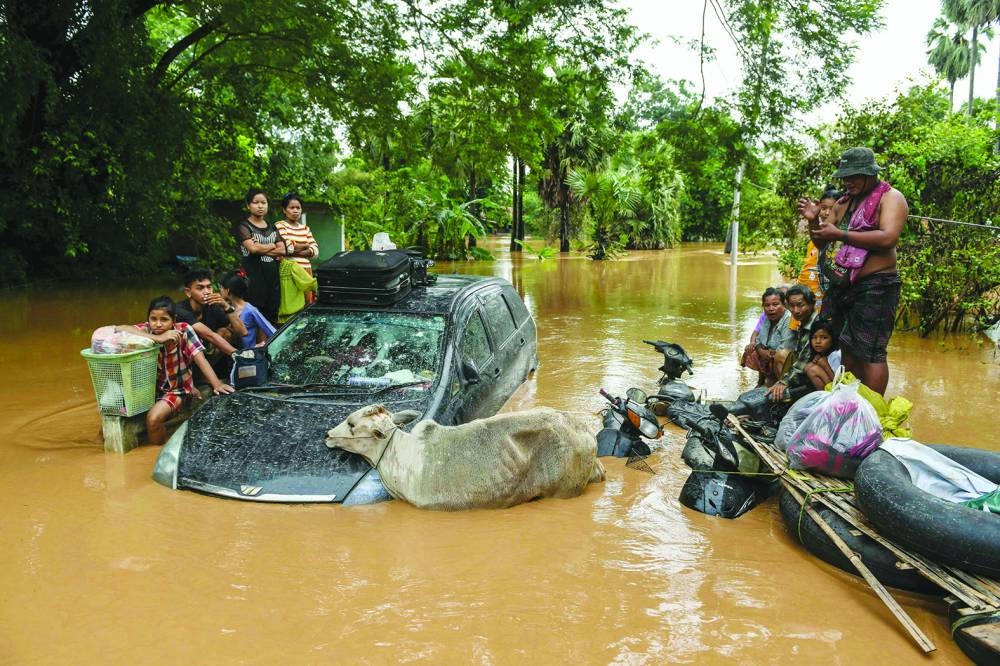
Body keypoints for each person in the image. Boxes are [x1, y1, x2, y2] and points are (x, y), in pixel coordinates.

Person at [798, 147, 907, 395]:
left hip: (877, 285)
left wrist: (841, 234)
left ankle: (873, 410)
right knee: (847, 345)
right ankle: (851, 403)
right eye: (845, 177)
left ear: (870, 174)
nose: (848, 182)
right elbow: (822, 241)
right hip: (845, 285)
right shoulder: (843, 203)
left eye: (854, 176)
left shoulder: (891, 198)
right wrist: (814, 221)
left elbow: (888, 238)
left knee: (872, 351)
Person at [118, 296, 234, 444]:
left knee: (153, 419)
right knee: (112, 419)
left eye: (164, 319)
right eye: (153, 319)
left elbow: (200, 359)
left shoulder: (184, 330)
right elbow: (119, 329)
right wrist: (157, 339)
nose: (158, 324)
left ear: (173, 320)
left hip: (176, 390)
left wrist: (216, 384)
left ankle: (155, 456)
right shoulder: (147, 330)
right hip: (150, 390)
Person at [174, 268, 245, 378]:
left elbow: (242, 332)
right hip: (183, 359)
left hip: (206, 354)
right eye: (200, 288)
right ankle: (197, 378)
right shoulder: (180, 310)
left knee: (226, 332)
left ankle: (204, 376)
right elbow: (209, 335)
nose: (207, 292)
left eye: (209, 287)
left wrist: (226, 306)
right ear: (188, 292)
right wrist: (241, 356)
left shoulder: (212, 307)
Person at [234, 188, 289, 325]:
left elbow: (282, 250)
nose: (260, 206)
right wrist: (272, 245)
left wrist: (261, 248)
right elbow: (252, 249)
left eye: (263, 203)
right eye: (256, 202)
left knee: (272, 315)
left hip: (273, 280)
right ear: (248, 205)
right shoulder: (244, 227)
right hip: (253, 280)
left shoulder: (272, 227)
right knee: (255, 316)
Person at [766, 284, 819, 401]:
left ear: (811, 304)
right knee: (782, 354)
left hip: (817, 372)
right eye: (792, 306)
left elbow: (804, 361)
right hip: (807, 369)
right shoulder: (804, 322)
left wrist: (784, 382)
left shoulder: (816, 326)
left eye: (800, 305)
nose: (796, 310)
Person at [797, 185, 842, 312]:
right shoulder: (818, 235)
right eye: (823, 208)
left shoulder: (846, 235)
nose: (827, 213)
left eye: (832, 209)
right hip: (819, 298)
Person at [741, 287, 795, 386]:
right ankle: (763, 381)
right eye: (767, 305)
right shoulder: (766, 318)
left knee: (779, 356)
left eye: (775, 304)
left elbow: (785, 347)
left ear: (784, 305)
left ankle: (783, 385)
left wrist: (767, 353)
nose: (771, 309)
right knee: (750, 350)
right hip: (769, 352)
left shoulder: (788, 319)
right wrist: (760, 350)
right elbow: (758, 339)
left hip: (784, 358)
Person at [219, 272, 276, 349]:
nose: (220, 290)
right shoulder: (227, 308)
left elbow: (269, 329)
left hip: (251, 354)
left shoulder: (250, 310)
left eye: (222, 288)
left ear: (228, 291)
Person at [275, 192, 320, 275]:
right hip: (289, 270)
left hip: (307, 270)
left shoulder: (306, 229)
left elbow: (316, 251)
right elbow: (288, 247)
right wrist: (306, 246)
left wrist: (294, 249)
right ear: (284, 210)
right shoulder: (280, 225)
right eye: (291, 208)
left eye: (298, 208)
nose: (295, 211)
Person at [278, 256, 318, 324]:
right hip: (295, 319)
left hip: (276, 319)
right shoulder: (292, 266)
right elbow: (311, 284)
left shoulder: (289, 266)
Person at [804, 315, 839, 390]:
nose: (818, 342)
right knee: (809, 366)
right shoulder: (820, 354)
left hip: (840, 391)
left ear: (832, 339)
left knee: (813, 370)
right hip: (831, 387)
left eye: (824, 338)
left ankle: (826, 398)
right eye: (814, 337)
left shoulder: (836, 355)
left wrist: (825, 365)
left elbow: (840, 383)